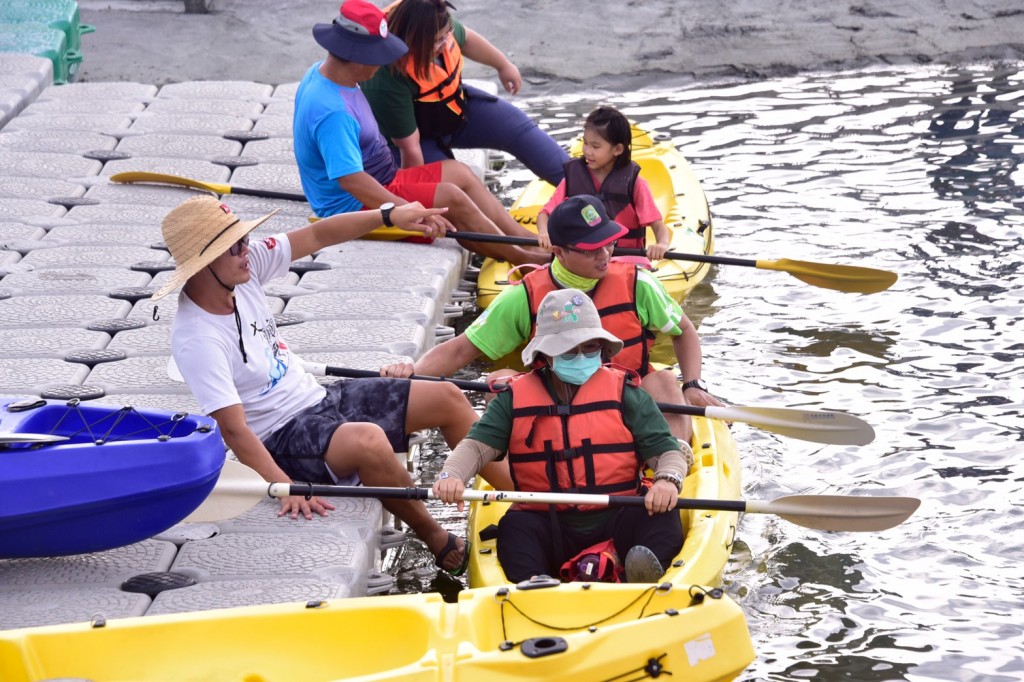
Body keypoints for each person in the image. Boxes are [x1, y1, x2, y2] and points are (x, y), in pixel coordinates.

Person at [155, 195, 502, 575]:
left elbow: (320, 233)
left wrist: (388, 214)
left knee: (447, 396)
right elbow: (235, 431)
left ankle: (523, 497)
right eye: (234, 246)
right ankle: (438, 539)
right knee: (370, 441)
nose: (246, 250)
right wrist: (283, 487)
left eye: (243, 240)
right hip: (280, 437)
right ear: (205, 264)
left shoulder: (244, 268)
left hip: (318, 396)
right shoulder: (197, 339)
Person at [383, 194, 720, 444]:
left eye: (608, 244)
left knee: (663, 380)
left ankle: (672, 459)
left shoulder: (639, 283)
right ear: (559, 251)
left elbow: (684, 330)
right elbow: (460, 351)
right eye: (591, 249)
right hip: (559, 407)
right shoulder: (524, 295)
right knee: (499, 382)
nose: (605, 255)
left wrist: (693, 384)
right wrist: (410, 375)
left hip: (627, 401)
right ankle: (521, 464)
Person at [432, 288, 689, 583]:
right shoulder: (513, 399)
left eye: (590, 348)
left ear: (603, 349)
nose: (581, 357)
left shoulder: (626, 394)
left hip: (619, 513)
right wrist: (450, 474)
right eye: (569, 350)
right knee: (515, 529)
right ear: (545, 355)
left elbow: (666, 451)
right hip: (547, 521)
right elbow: (476, 446)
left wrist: (668, 479)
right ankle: (537, 584)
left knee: (663, 516)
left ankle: (625, 564)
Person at [293, 0, 548, 266]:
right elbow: (351, 180)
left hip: (383, 179)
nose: (382, 65)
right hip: (352, 207)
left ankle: (520, 236)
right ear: (356, 56)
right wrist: (405, 210)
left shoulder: (322, 72)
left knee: (459, 172)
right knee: (452, 197)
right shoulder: (334, 113)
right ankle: (523, 258)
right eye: (379, 57)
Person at [362, 0, 568, 186]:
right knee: (455, 189)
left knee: (517, 127)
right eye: (437, 40)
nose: (445, 44)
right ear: (412, 41)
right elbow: (409, 147)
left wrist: (503, 65)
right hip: (414, 142)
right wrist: (417, 196)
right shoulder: (387, 77)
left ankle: (584, 187)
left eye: (446, 35)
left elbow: (466, 38)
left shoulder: (434, 18)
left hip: (452, 108)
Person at [537, 106, 670, 268]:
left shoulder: (635, 184)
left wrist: (661, 244)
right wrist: (544, 233)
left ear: (618, 149)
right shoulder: (572, 180)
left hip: (625, 260)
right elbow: (544, 214)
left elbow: (658, 226)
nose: (587, 151)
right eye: (585, 143)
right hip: (584, 261)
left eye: (596, 146)